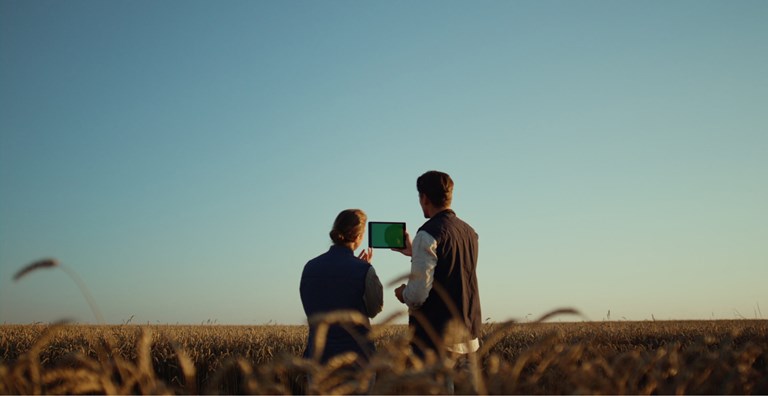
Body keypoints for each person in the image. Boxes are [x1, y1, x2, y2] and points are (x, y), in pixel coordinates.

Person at [394, 170, 482, 361]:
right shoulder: (470, 233)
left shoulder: (426, 234)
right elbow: (452, 267)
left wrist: (402, 294)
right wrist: (414, 252)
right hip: (469, 336)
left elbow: (417, 294)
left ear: (424, 198)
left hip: (436, 339)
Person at [300, 209, 384, 368]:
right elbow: (374, 309)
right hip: (357, 360)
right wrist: (366, 269)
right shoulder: (365, 270)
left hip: (318, 360)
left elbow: (310, 309)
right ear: (358, 237)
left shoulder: (309, 268)